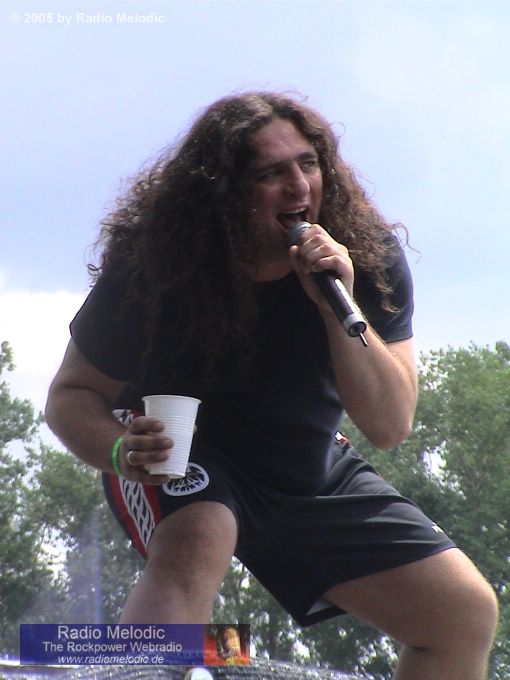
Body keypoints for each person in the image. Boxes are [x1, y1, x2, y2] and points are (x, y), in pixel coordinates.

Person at [45, 92, 498, 679]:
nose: (298, 187)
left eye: (309, 165)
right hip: (180, 452)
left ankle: (170, 654)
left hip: (304, 460)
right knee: (202, 530)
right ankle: (146, 662)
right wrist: (117, 451)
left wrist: (335, 303)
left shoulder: (365, 256)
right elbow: (72, 395)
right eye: (271, 174)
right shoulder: (155, 264)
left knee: (462, 614)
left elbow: (390, 425)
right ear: (224, 193)